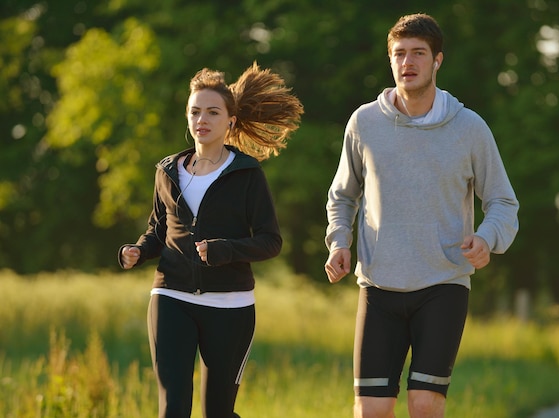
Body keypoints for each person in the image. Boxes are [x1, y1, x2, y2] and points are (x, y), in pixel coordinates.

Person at [324, 13, 519, 418]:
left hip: (442, 283)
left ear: (437, 61)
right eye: (399, 54)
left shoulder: (469, 128)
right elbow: (343, 196)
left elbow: (502, 201)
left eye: (418, 53)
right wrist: (339, 240)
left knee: (425, 405)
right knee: (370, 410)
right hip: (379, 286)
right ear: (390, 60)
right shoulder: (364, 123)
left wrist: (487, 238)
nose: (407, 62)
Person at [118, 62, 303, 418]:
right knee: (173, 408)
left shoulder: (247, 174)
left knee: (218, 412)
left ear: (230, 121)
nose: (202, 119)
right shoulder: (167, 171)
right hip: (171, 295)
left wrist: (224, 251)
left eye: (213, 112)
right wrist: (137, 251)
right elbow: (159, 231)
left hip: (230, 305)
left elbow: (270, 241)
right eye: (195, 111)